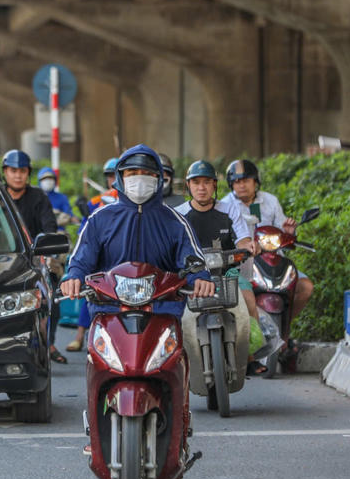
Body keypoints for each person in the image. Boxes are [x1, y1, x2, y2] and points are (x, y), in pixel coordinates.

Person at [60, 144, 214, 313]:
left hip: (162, 312)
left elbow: (191, 258)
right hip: (109, 312)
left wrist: (200, 278)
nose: (140, 179)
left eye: (148, 174)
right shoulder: (99, 219)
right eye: (133, 174)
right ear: (121, 177)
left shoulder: (175, 222)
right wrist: (73, 277)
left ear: (159, 178)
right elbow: (82, 258)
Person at [174, 160, 262, 383]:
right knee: (172, 317)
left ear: (214, 186)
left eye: (206, 182)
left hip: (227, 273)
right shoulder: (178, 214)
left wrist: (248, 245)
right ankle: (174, 359)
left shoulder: (228, 209)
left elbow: (242, 237)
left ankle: (250, 356)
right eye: (196, 182)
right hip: (191, 279)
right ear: (188, 186)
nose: (201, 187)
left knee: (249, 302)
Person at [220, 158, 314, 323]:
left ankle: (285, 328)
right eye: (237, 181)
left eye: (246, 180)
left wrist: (288, 231)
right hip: (244, 263)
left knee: (306, 287)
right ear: (231, 185)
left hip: (273, 260)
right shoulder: (225, 205)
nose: (242, 185)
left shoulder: (270, 201)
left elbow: (282, 228)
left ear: (256, 181)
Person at [0, 150, 65, 364]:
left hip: (35, 258)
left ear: (28, 173)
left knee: (53, 294)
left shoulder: (39, 197)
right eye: (13, 171)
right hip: (1, 260)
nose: (17, 175)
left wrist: (45, 253)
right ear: (5, 172)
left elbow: (49, 228)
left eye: (22, 171)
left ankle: (49, 340)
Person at [67, 156, 119, 353]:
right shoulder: (98, 200)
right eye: (109, 175)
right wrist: (84, 213)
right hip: (100, 256)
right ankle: (81, 336)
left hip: (122, 256)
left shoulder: (132, 199)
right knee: (90, 293)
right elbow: (84, 231)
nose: (112, 179)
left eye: (116, 174)